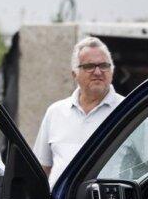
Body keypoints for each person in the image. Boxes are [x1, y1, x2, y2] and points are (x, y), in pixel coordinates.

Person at [34, 37, 124, 185]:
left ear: (112, 72)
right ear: (74, 74)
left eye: (103, 65)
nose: (97, 72)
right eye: (89, 66)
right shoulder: (55, 112)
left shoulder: (126, 110)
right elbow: (42, 169)